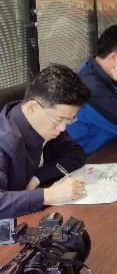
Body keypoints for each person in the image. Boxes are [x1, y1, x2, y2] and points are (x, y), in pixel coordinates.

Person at [0, 64, 90, 218]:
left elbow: (76, 154)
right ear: (32, 108)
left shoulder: (46, 123)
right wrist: (48, 195)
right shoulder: (5, 139)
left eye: (69, 120)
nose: (63, 128)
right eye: (59, 119)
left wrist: (37, 178)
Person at [67, 25, 117, 154]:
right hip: (89, 157)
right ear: (114, 57)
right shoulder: (92, 88)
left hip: (110, 145)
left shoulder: (94, 70)